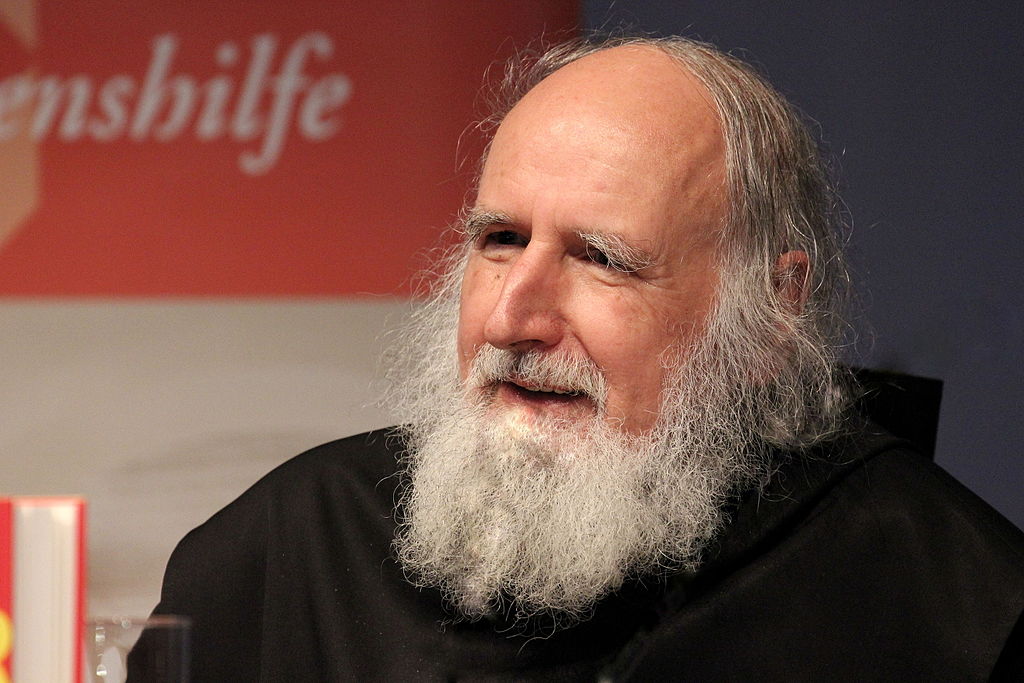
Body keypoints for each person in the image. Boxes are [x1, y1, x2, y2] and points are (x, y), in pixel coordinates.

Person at [131, 36, 1024, 681]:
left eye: (601, 257)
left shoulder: (961, 606)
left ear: (770, 316)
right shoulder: (286, 551)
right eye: (500, 239)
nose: (514, 314)